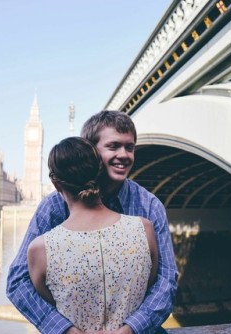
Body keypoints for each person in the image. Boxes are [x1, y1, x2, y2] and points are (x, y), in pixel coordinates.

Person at [7, 110, 178, 334]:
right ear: (90, 151)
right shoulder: (53, 207)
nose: (124, 154)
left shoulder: (150, 206)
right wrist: (67, 330)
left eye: (130, 147)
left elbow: (166, 280)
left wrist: (130, 329)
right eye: (114, 146)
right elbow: (18, 282)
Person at [27, 136, 158, 332]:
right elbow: (149, 285)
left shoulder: (40, 250)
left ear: (56, 184)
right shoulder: (144, 229)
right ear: (100, 172)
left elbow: (48, 299)